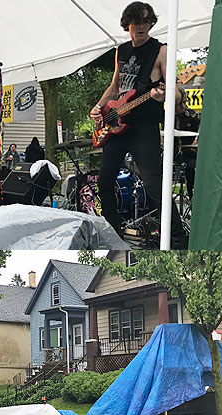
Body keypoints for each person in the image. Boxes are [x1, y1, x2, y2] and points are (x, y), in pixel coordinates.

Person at [90, 1, 185, 246]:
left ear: (150, 23)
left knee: (154, 184)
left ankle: (178, 237)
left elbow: (176, 91)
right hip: (116, 126)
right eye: (135, 22)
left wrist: (164, 95)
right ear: (127, 25)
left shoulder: (160, 50)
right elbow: (115, 87)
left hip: (144, 127)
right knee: (104, 181)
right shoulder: (120, 51)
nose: (140, 27)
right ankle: (114, 234)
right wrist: (99, 108)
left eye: (145, 21)